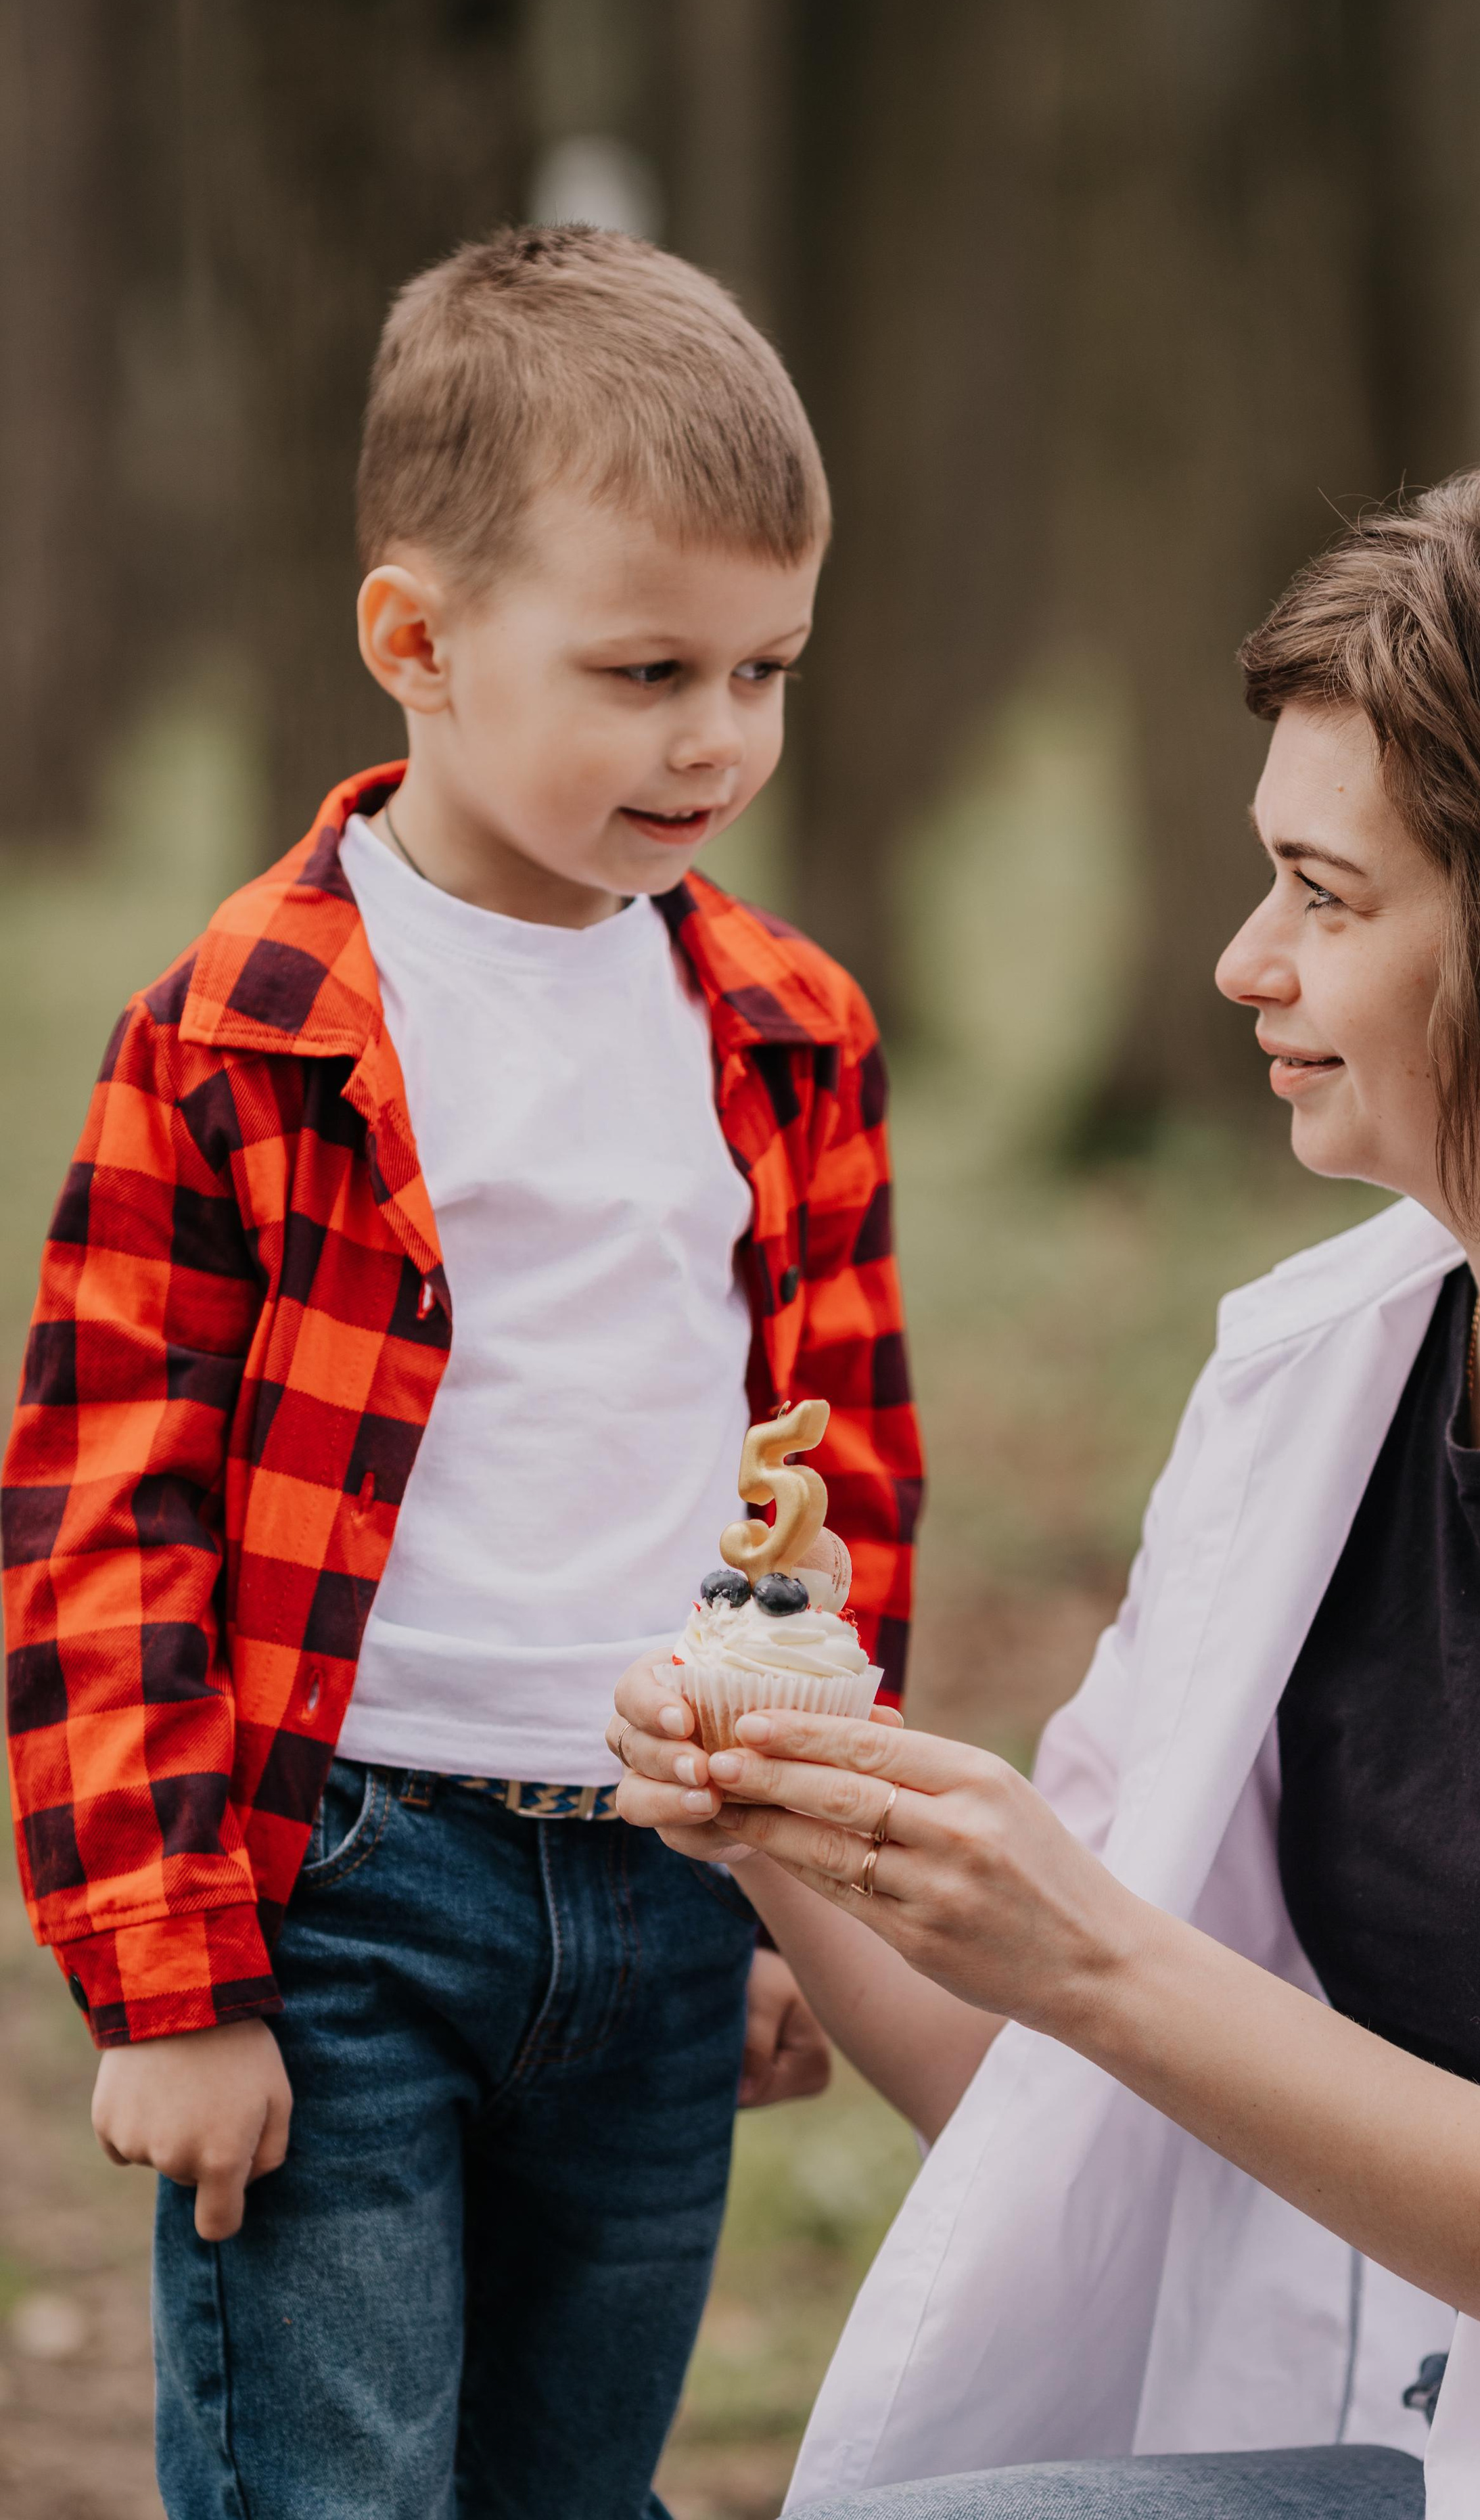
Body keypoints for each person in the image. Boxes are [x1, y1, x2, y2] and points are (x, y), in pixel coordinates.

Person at [612, 459, 1480, 2519]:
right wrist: (782, 1808)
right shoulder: (1309, 1379)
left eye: (1327, 897)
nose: (1243, 965)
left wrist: (1094, 1960)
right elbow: (1056, 2084)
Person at [1, 224, 923, 2520]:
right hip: (345, 1900)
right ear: (415, 638)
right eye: (643, 671)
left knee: (572, 2485)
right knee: (341, 2483)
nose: (717, 738)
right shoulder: (243, 1033)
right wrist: (175, 1979)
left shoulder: (790, 1035)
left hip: (671, 1880)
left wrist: (816, 1871)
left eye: (766, 668)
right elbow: (101, 1511)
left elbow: (841, 1477)